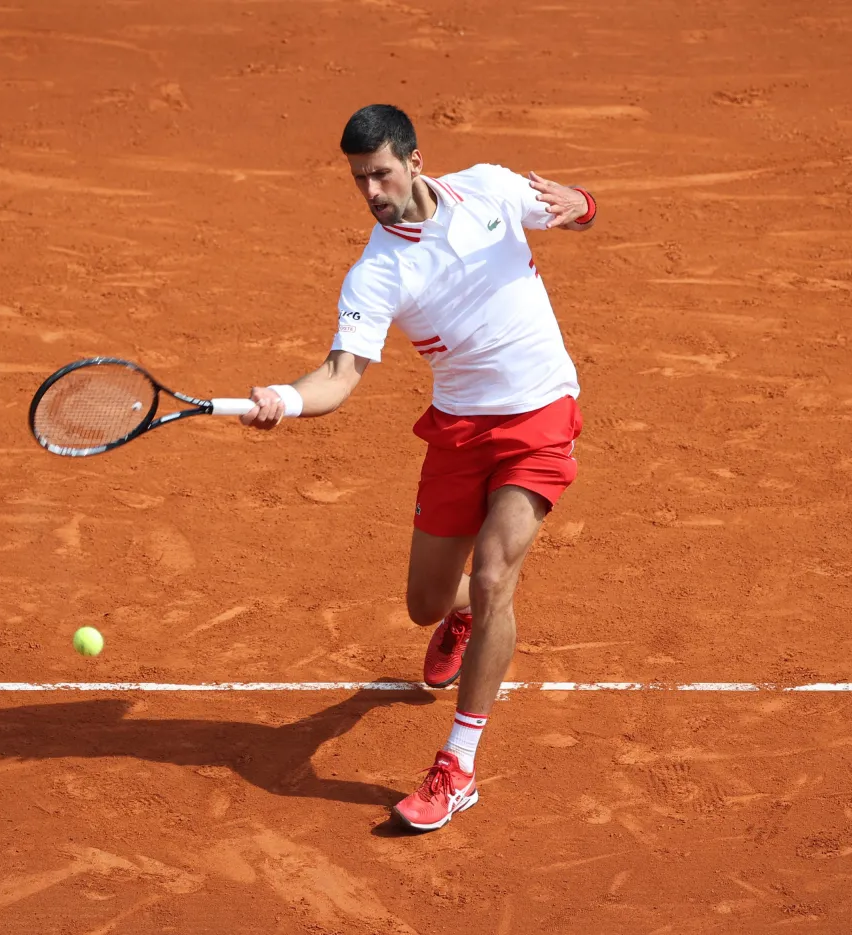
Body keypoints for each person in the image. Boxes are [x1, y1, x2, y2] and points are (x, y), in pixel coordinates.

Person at [240, 103, 594, 832]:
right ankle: (459, 613)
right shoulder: (376, 272)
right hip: (460, 432)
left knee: (496, 573)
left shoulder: (491, 188)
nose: (371, 191)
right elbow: (338, 377)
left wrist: (581, 204)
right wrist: (283, 396)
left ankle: (457, 764)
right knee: (427, 604)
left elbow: (574, 211)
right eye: (358, 180)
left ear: (415, 161)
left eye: (380, 173)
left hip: (540, 414)